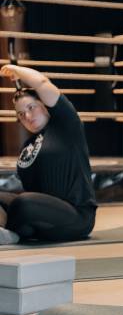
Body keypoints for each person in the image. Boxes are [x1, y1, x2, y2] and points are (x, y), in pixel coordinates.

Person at [0, 64, 96, 245]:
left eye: (31, 107)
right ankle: (11, 231)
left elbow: (42, 82)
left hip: (76, 216)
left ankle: (13, 233)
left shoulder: (66, 126)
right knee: (21, 202)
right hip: (43, 215)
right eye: (21, 114)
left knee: (24, 203)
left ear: (45, 105)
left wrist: (16, 69)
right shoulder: (28, 145)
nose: (27, 116)